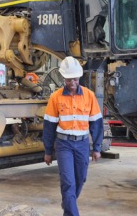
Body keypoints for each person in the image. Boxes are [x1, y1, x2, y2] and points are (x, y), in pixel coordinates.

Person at [42, 56, 103, 216]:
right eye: (68, 80)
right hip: (64, 145)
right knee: (68, 183)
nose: (72, 83)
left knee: (80, 179)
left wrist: (96, 148)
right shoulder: (55, 98)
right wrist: (48, 151)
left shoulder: (89, 96)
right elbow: (49, 126)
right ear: (64, 78)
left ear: (79, 77)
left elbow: (96, 123)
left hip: (82, 145)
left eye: (74, 79)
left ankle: (68, 203)